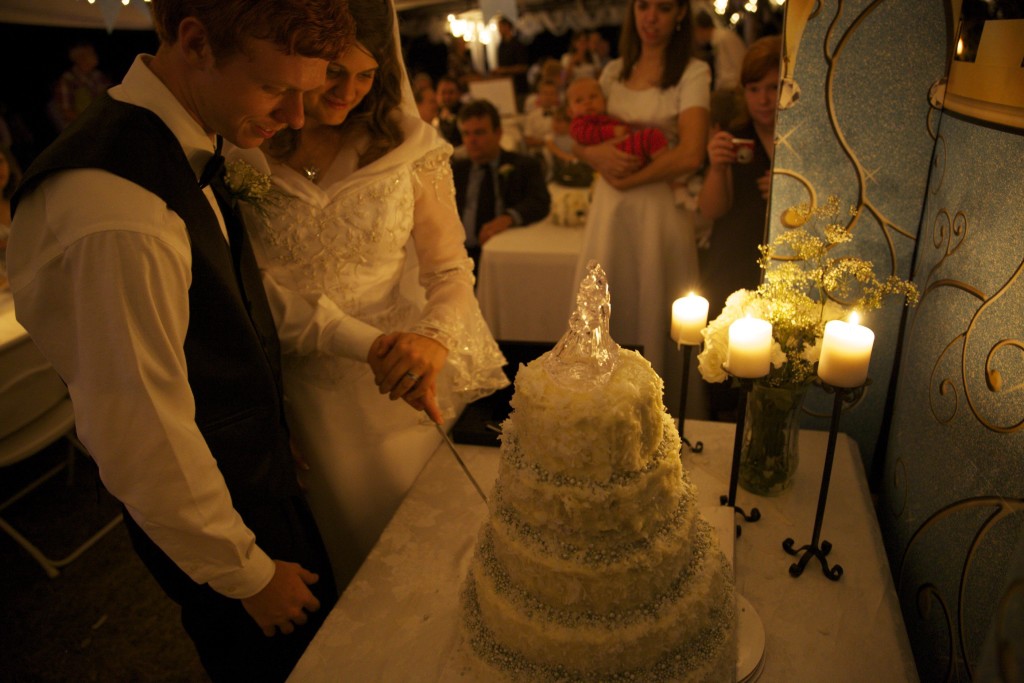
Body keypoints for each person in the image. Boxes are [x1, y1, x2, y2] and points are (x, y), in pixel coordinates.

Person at [6, 1, 353, 681]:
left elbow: (224, 312)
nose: (297, 119)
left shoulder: (186, 139)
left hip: (241, 474)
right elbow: (136, 424)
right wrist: (244, 572)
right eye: (278, 89)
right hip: (209, 516)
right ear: (194, 42)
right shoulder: (120, 210)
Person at [228, 0, 509, 588]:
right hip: (306, 398)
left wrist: (434, 340)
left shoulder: (409, 145)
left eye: (366, 75)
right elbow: (246, 291)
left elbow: (450, 271)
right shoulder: (241, 151)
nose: (349, 92)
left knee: (450, 552)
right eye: (333, 72)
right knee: (361, 567)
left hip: (407, 378)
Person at [571, 0, 710, 417]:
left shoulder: (692, 72)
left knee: (657, 297)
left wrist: (626, 178)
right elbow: (581, 133)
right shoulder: (614, 72)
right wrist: (598, 159)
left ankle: (660, 416)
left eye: (664, 8)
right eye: (643, 6)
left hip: (658, 210)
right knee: (613, 304)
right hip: (611, 213)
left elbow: (690, 153)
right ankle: (600, 412)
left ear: (681, 14)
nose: (651, 18)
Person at [697, 35, 781, 420]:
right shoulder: (735, 137)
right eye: (754, 89)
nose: (764, 98)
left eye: (773, 87)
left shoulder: (803, 144)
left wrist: (790, 192)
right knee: (724, 373)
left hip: (780, 270)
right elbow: (711, 209)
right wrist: (716, 166)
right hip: (731, 267)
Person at [451, 99, 551, 268]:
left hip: (506, 256)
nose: (471, 140)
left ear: (498, 133)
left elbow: (540, 201)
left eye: (479, 132)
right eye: (466, 134)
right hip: (459, 258)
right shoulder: (455, 171)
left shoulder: (524, 165)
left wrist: (509, 217)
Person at [566, 76, 668, 167]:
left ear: (604, 101)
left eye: (593, 97)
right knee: (652, 137)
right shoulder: (578, 123)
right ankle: (670, 177)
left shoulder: (606, 117)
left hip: (623, 151)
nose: (587, 102)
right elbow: (585, 134)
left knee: (653, 140)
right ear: (570, 112)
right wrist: (612, 132)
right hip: (616, 154)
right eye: (579, 100)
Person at [47, 41, 113, 132]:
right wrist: (91, 123)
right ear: (81, 58)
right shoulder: (68, 80)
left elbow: (110, 97)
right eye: (91, 54)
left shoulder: (97, 75)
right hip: (81, 128)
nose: (95, 56)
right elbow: (67, 112)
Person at [694, 10, 748, 92]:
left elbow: (739, 65)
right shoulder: (717, 40)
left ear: (699, 29)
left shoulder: (723, 38)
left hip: (733, 90)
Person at [491, 16, 530, 106]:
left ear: (507, 27)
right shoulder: (501, 46)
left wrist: (504, 70)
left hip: (519, 87)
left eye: (500, 27)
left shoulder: (518, 45)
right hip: (506, 88)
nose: (499, 30)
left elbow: (523, 67)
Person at [436, 75, 464, 148]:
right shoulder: (435, 114)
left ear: (459, 94)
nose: (447, 97)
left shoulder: (466, 113)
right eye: (443, 93)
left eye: (451, 92)